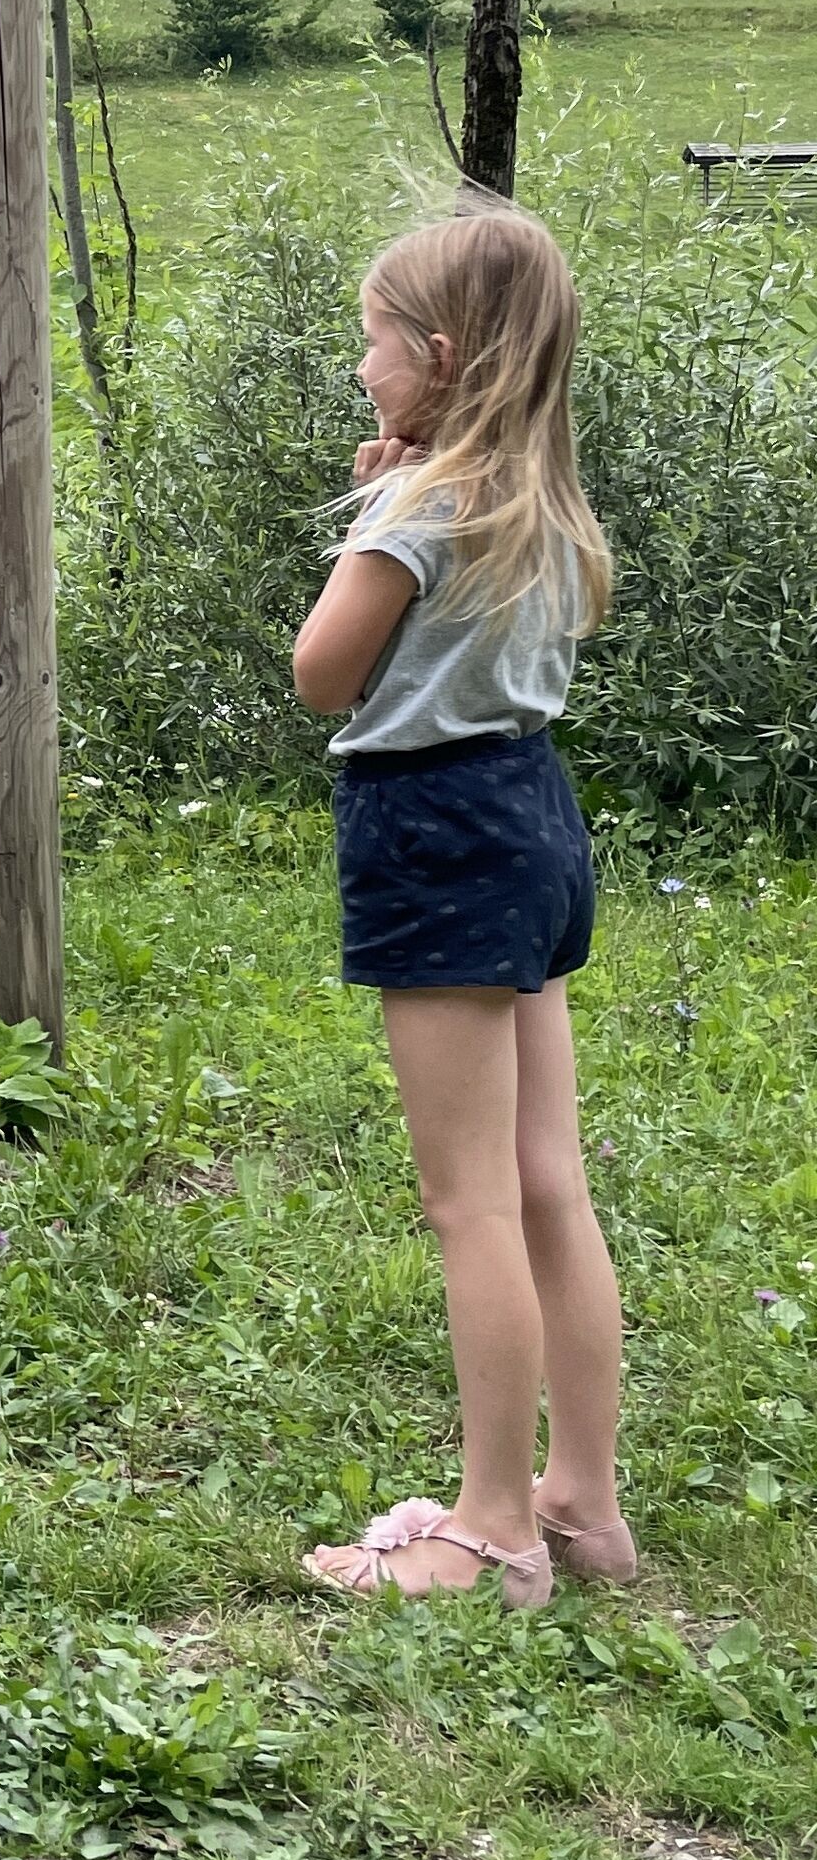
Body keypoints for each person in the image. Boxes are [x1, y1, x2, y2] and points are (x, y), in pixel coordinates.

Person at [291, 200, 632, 1612]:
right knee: (548, 1175)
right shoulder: (535, 496)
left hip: (434, 829)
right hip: (533, 817)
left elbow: (325, 672)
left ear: (433, 356)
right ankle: (582, 1504)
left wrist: (374, 511)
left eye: (374, 346)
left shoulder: (421, 506)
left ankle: (490, 1526)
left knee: (467, 1199)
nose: (360, 368)